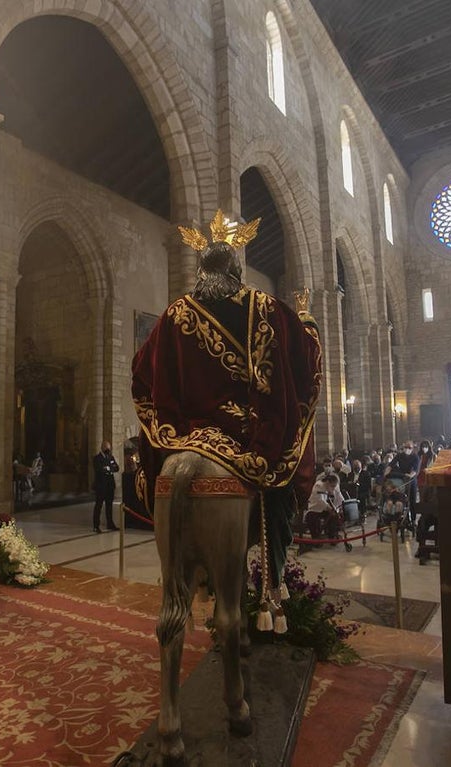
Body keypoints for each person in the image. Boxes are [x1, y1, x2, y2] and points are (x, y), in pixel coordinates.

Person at [133, 210, 321, 590]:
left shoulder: (174, 314)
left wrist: (174, 423)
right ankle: (274, 584)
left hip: (184, 437)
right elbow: (305, 362)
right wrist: (308, 321)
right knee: (281, 487)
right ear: (236, 271)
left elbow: (140, 372)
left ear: (202, 271)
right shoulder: (266, 308)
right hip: (252, 441)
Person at [301, 472, 343, 550]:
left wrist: (340, 507)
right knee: (312, 518)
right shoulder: (319, 485)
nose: (334, 487)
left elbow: (339, 496)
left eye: (335, 485)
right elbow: (320, 501)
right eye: (332, 486)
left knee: (334, 517)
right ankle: (316, 538)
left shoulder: (335, 485)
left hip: (327, 508)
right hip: (316, 508)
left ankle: (332, 536)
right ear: (327, 482)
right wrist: (330, 508)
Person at [92, 440, 120, 532]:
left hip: (110, 485)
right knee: (98, 505)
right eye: (107, 448)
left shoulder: (110, 457)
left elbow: (116, 468)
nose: (108, 449)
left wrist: (108, 468)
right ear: (102, 447)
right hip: (101, 486)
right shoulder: (97, 458)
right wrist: (109, 469)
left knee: (109, 505)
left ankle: (110, 523)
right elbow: (100, 470)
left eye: (109, 448)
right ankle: (96, 525)